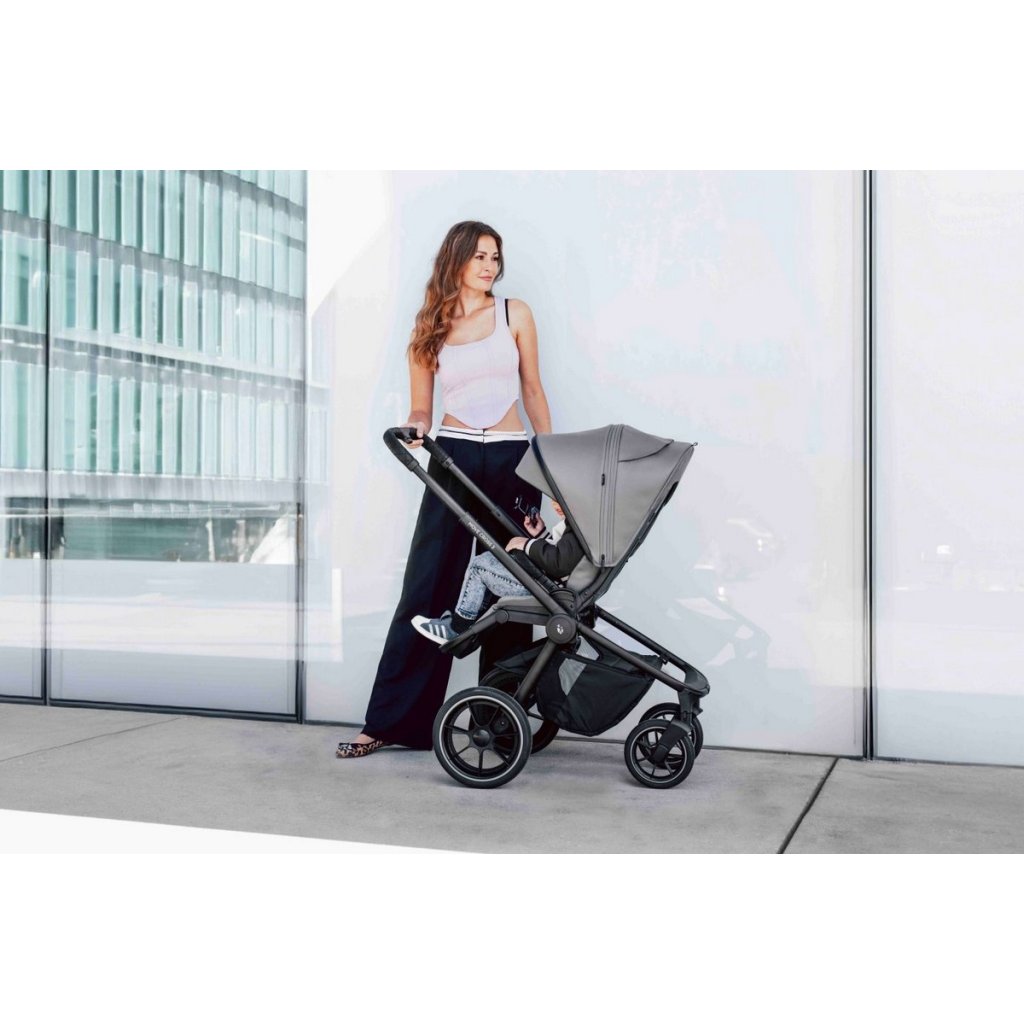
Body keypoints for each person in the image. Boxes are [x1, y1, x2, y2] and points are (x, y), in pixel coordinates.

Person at [337, 220, 553, 759]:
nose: (489, 266)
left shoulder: (515, 314)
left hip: (511, 457)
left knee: (508, 588)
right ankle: (391, 723)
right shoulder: (429, 326)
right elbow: (421, 407)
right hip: (452, 457)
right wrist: (414, 428)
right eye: (479, 256)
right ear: (455, 259)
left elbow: (532, 390)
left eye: (495, 257)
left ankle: (498, 725)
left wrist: (552, 470)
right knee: (427, 586)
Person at [411, 502, 583, 643]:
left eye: (559, 500)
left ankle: (457, 628)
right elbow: (565, 554)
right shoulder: (581, 520)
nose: (555, 506)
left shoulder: (579, 521)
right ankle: (470, 622)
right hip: (553, 585)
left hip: (552, 591)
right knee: (488, 560)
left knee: (479, 567)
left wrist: (524, 544)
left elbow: (560, 563)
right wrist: (541, 534)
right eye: (553, 500)